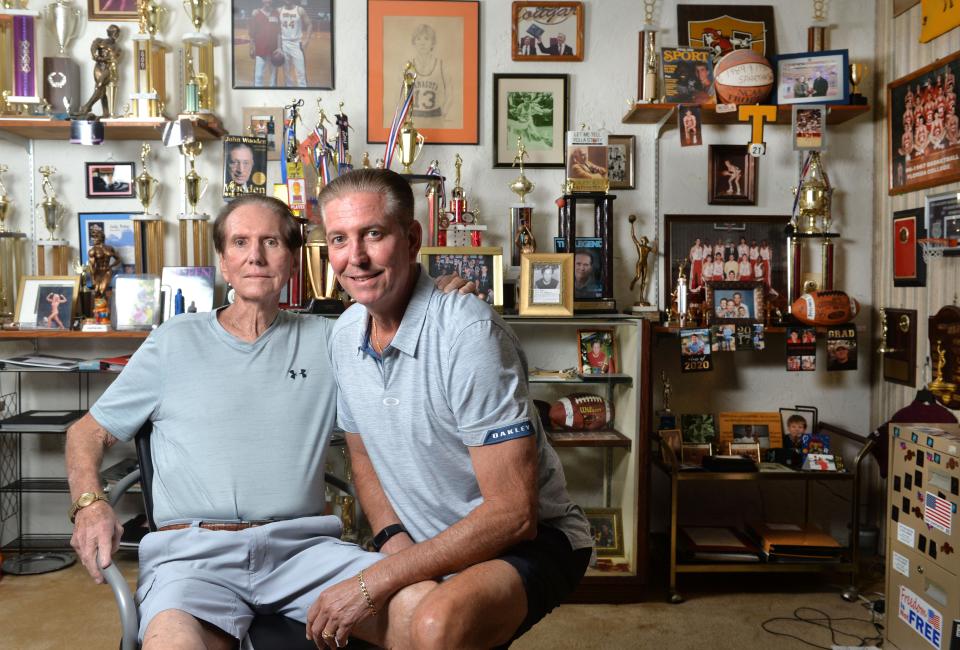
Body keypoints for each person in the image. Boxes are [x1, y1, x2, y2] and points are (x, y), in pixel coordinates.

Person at [66, 195, 471, 650]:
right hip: (191, 558)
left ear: (294, 260)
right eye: (240, 242)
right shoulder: (173, 340)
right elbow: (87, 432)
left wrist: (438, 299)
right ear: (223, 260)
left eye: (271, 242)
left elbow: (399, 315)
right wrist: (90, 504)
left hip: (305, 553)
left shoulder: (335, 337)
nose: (255, 256)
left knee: (426, 611)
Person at [313, 169, 592, 648]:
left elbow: (513, 515)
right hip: (423, 542)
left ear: (412, 238)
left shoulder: (467, 334)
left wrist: (379, 580)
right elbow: (363, 458)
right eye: (340, 238)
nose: (355, 257)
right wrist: (397, 551)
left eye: (373, 234)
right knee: (356, 612)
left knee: (434, 625)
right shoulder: (343, 335)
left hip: (531, 540)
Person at [409, 24, 450, 120]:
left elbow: (450, 92)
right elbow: (399, 95)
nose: (422, 43)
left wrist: (444, 111)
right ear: (414, 42)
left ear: (433, 43)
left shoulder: (441, 65)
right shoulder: (408, 67)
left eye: (426, 39)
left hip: (435, 116)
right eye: (418, 39)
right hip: (414, 118)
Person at [248, 0, 281, 88]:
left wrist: (280, 48)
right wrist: (251, 47)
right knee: (258, 75)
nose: (268, 1)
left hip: (274, 51)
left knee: (273, 77)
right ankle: (258, 95)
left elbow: (279, 33)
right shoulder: (256, 14)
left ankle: (273, 95)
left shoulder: (276, 13)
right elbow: (252, 33)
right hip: (260, 49)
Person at [278, 0, 311, 87]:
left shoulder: (299, 10)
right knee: (286, 72)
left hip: (296, 44)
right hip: (284, 44)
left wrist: (307, 40)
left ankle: (303, 91)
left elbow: (309, 24)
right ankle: (289, 91)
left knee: (301, 72)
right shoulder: (279, 10)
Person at [87, 227, 122, 297]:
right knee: (97, 290)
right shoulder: (92, 250)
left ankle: (103, 306)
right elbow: (91, 266)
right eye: (93, 238)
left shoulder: (109, 248)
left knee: (102, 289)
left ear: (101, 238)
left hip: (107, 271)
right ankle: (99, 307)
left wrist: (111, 266)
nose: (93, 240)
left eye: (95, 237)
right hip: (98, 272)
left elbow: (118, 259)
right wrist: (93, 279)